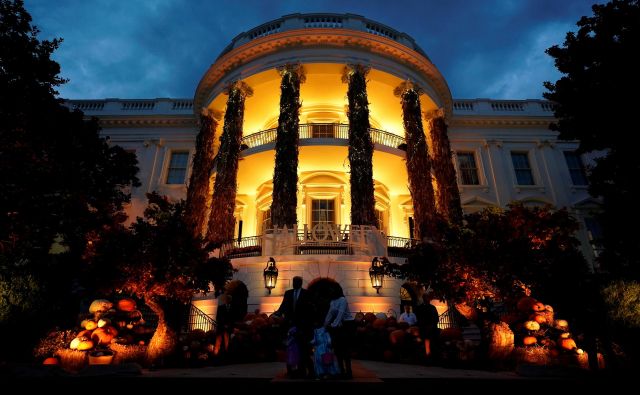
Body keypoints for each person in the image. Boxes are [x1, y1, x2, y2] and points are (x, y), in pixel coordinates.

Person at [275, 276, 313, 378]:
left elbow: (309, 310)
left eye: (296, 282)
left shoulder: (306, 293)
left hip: (302, 327)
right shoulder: (288, 293)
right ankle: (290, 371)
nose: (294, 283)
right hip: (289, 325)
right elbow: (283, 306)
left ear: (300, 283)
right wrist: (276, 314)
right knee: (290, 348)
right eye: (293, 282)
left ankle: (303, 371)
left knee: (302, 349)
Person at [323, 282, 354, 379]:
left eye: (332, 290)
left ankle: (349, 372)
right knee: (337, 350)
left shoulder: (342, 300)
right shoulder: (332, 301)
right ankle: (341, 371)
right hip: (338, 327)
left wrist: (333, 325)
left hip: (346, 325)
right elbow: (330, 315)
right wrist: (324, 326)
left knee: (345, 350)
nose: (331, 292)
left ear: (336, 291)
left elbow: (340, 314)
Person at [414, 293, 441, 362]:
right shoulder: (419, 308)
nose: (428, 299)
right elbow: (418, 318)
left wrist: (432, 325)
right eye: (426, 298)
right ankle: (425, 355)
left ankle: (430, 355)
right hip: (422, 328)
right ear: (423, 299)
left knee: (430, 339)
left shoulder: (432, 308)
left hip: (431, 328)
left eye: (428, 298)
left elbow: (436, 318)